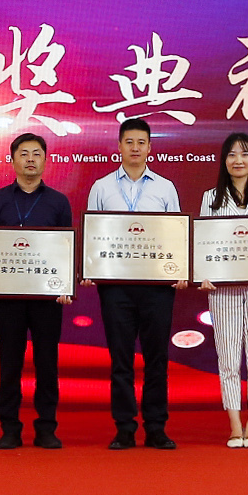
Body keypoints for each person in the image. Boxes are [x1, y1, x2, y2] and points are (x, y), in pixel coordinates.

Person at [86, 117, 184, 450]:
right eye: (129, 142)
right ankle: (124, 428)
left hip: (157, 287)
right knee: (121, 359)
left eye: (141, 143)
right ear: (119, 147)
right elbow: (93, 235)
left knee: (157, 359)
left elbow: (176, 235)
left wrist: (179, 269)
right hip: (116, 287)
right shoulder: (101, 187)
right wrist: (90, 266)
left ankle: (156, 427)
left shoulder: (165, 188)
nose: (135, 148)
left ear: (150, 148)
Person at [0, 132, 71, 450]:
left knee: (47, 363)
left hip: (47, 298)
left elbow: (66, 249)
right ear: (12, 160)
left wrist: (65, 285)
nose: (30, 159)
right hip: (8, 298)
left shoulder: (58, 201)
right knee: (9, 364)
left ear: (45, 160)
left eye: (36, 154)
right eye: (23, 154)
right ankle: (10, 427)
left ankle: (46, 427)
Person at [197, 132, 248, 448]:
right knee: (228, 359)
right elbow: (204, 242)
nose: (238, 160)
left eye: (244, 154)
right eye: (231, 154)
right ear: (224, 161)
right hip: (222, 291)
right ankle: (235, 426)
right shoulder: (211, 198)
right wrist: (203, 274)